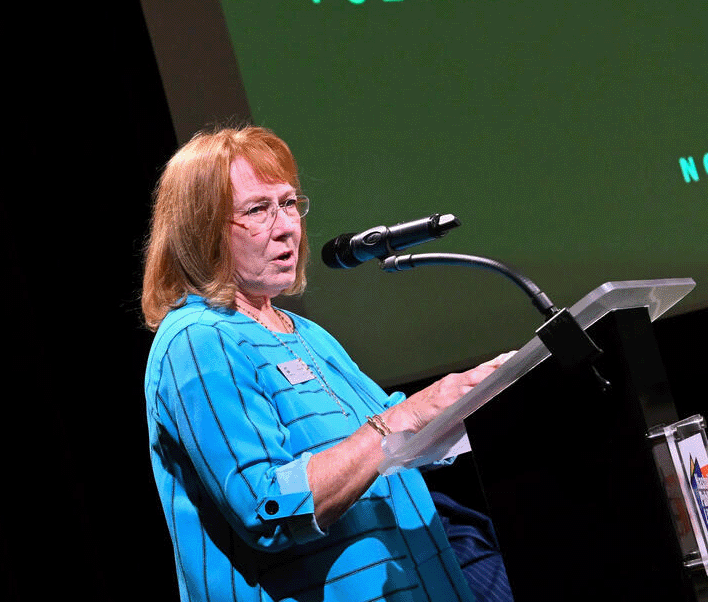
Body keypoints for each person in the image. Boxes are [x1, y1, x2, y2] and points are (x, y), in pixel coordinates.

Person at [142, 125, 507, 602]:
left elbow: (398, 440)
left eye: (290, 203)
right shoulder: (199, 340)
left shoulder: (303, 332)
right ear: (200, 230)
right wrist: (399, 418)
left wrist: (481, 390)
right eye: (258, 210)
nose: (287, 225)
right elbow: (266, 506)